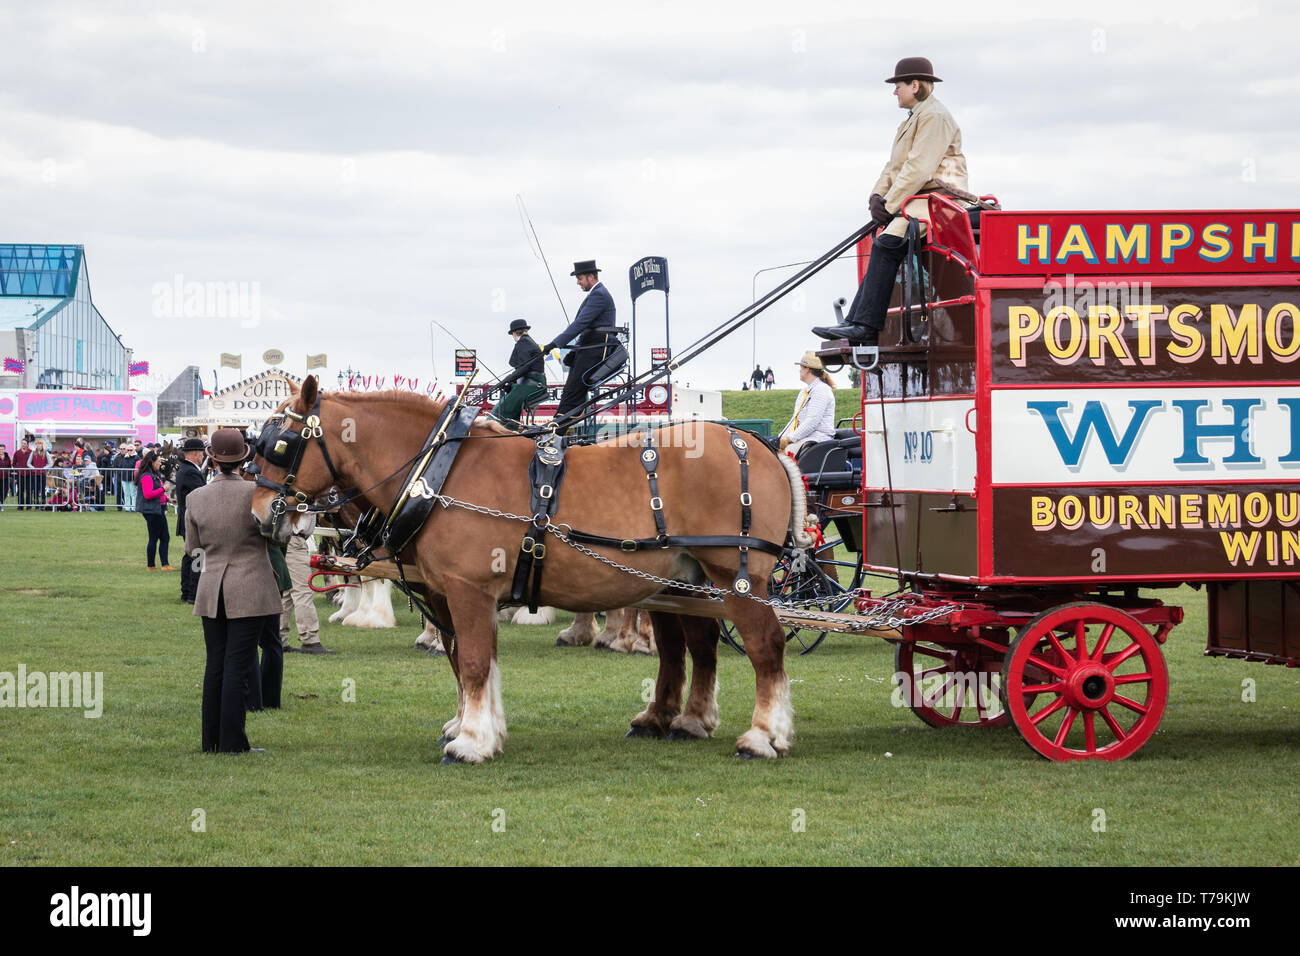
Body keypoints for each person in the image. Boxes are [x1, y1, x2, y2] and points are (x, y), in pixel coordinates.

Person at [814, 56, 969, 346]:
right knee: (884, 240)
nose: (894, 92)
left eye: (898, 85)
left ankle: (865, 326)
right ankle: (856, 322)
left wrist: (889, 205)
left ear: (915, 85)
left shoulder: (934, 117)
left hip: (938, 199)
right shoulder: (913, 120)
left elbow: (919, 168)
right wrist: (877, 196)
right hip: (917, 198)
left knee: (886, 243)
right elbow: (894, 167)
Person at [185, 428, 283, 754]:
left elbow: (192, 547)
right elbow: (276, 538)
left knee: (215, 665)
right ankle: (232, 743)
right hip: (250, 588)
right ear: (245, 457)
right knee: (237, 667)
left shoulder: (195, 497)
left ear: (211, 458)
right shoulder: (256, 493)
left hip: (212, 587)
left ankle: (210, 741)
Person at [540, 260, 619, 423]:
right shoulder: (597, 294)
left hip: (596, 346)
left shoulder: (599, 294)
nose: (578, 282)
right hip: (588, 345)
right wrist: (574, 352)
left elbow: (580, 324)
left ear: (591, 277)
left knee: (574, 388)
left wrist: (554, 344)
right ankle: (559, 424)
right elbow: (584, 327)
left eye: (580, 278)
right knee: (571, 388)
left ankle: (559, 427)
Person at [489, 319, 548, 431]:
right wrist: (511, 383)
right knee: (511, 414)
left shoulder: (523, 343)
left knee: (499, 410)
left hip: (530, 385)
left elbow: (524, 368)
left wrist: (507, 380)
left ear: (515, 333)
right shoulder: (530, 342)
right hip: (534, 383)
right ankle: (511, 431)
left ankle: (491, 434)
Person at [778, 352, 837, 457]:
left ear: (808, 369)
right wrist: (780, 437)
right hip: (806, 438)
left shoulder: (821, 390)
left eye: (801, 367)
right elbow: (795, 419)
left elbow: (811, 422)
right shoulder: (805, 391)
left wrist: (789, 439)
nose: (799, 370)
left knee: (782, 457)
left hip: (817, 440)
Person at [174, 438, 208, 604]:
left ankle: (187, 591)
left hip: (187, 518)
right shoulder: (190, 471)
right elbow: (200, 495)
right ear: (196, 453)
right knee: (197, 556)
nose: (203, 456)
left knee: (190, 556)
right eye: (202, 452)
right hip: (192, 520)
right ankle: (193, 593)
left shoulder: (187, 469)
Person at [137, 449, 174, 571]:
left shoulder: (154, 475)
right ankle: (151, 565)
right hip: (152, 511)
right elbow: (148, 495)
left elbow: (157, 493)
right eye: (158, 461)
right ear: (152, 462)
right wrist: (163, 489)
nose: (160, 464)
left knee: (164, 537)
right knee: (154, 538)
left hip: (158, 509)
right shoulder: (147, 476)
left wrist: (168, 499)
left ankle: (164, 564)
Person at [29, 439, 50, 508]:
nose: (39, 446)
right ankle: (36, 504)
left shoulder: (46, 453)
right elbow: (28, 463)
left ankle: (43, 504)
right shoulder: (33, 453)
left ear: (42, 445)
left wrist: (44, 468)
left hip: (42, 474)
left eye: (40, 444)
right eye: (37, 444)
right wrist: (33, 468)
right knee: (35, 489)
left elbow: (50, 463)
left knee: (42, 489)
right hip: (34, 474)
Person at [0, 443, 10, 512]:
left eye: (2, 449)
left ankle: (0, 503)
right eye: (0, 449)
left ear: (4, 449)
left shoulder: (7, 457)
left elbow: (9, 466)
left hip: (5, 477)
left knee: (5, 492)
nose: (1, 450)